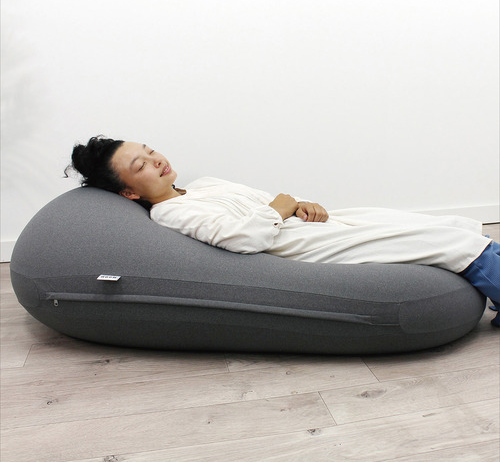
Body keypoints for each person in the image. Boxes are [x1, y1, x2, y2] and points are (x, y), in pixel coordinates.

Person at [66, 135, 500, 326]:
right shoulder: (169, 215)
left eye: (150, 150)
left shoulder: (205, 184)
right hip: (299, 247)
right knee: (445, 243)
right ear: (128, 192)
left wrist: (303, 204)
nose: (156, 160)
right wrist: (283, 205)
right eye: (141, 165)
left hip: (305, 227)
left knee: (427, 223)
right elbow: (246, 238)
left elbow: (273, 202)